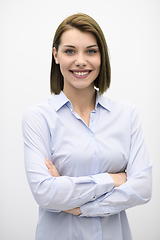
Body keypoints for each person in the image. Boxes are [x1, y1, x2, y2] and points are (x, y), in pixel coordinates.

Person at [22, 13, 152, 240]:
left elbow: (142, 189)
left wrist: (78, 206)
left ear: (102, 57)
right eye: (70, 51)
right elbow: (45, 193)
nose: (80, 60)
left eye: (91, 51)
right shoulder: (38, 118)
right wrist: (113, 179)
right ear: (56, 55)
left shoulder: (127, 115)